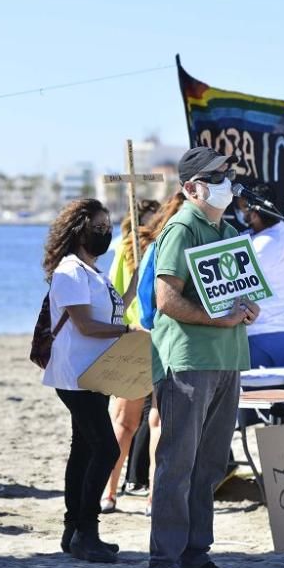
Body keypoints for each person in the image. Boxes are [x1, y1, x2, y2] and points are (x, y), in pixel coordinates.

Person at [149, 146, 259, 568]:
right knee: (177, 463)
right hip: (189, 361)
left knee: (210, 464)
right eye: (216, 175)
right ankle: (164, 564)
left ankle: (195, 555)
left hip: (227, 358)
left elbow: (235, 293)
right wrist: (220, 318)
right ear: (191, 187)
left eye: (228, 173)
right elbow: (166, 299)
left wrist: (246, 308)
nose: (226, 181)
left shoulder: (228, 227)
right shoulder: (181, 228)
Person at [42, 198, 137, 564]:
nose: (105, 231)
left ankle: (74, 530)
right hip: (75, 374)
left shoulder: (93, 271)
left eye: (107, 226)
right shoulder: (70, 271)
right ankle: (87, 530)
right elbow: (85, 324)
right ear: (80, 228)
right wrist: (127, 330)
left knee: (83, 449)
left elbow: (113, 307)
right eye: (99, 227)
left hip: (96, 373)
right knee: (106, 449)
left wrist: (134, 280)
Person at [101, 198, 159, 515]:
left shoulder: (164, 246)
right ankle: (109, 492)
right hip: (136, 338)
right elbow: (116, 297)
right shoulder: (126, 251)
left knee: (156, 422)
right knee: (125, 422)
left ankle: (152, 495)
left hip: (158, 338)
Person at [233, 183, 284, 368]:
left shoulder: (263, 246)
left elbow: (232, 283)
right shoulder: (283, 228)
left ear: (256, 215)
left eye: (242, 208)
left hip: (266, 336)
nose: (239, 213)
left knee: (261, 397)